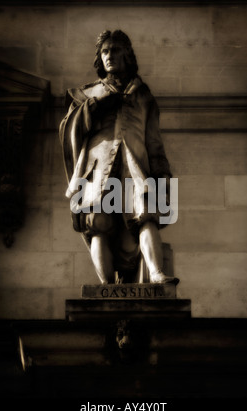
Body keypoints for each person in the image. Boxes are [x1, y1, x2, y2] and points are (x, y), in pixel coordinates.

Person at [59, 30, 174, 285]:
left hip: (136, 168)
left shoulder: (143, 95)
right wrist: (94, 107)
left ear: (127, 54)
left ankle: (156, 273)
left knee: (147, 215)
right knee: (98, 224)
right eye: (105, 51)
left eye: (114, 50)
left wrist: (163, 174)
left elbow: (153, 141)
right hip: (98, 169)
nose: (109, 55)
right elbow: (68, 129)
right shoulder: (88, 94)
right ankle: (107, 287)